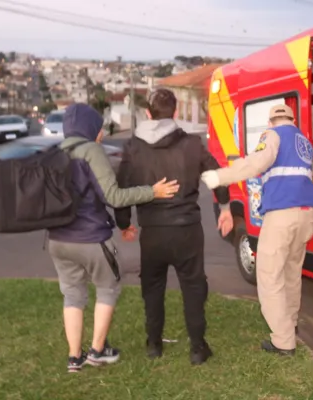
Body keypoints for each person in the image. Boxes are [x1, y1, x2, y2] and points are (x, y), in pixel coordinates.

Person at [47, 103, 180, 373]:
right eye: (99, 130)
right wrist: (152, 192)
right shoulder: (91, 151)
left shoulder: (54, 153)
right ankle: (97, 351)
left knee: (72, 295)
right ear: (89, 128)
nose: (102, 135)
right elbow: (114, 196)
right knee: (107, 288)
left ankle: (75, 358)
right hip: (91, 238)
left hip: (57, 239)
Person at [115, 88, 234, 365]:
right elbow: (218, 176)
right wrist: (225, 208)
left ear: (147, 114)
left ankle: (154, 344)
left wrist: (124, 224)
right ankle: (197, 348)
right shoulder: (192, 144)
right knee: (193, 286)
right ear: (176, 113)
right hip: (187, 229)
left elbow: (121, 188)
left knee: (152, 287)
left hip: (152, 231)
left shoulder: (133, 146)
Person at [201, 104, 313, 356]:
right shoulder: (304, 142)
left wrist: (220, 177)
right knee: (291, 273)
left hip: (282, 215)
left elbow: (255, 163)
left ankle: (283, 341)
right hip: (307, 215)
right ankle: (291, 323)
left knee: (268, 276)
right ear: (292, 119)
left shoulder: (272, 135)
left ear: (272, 121)